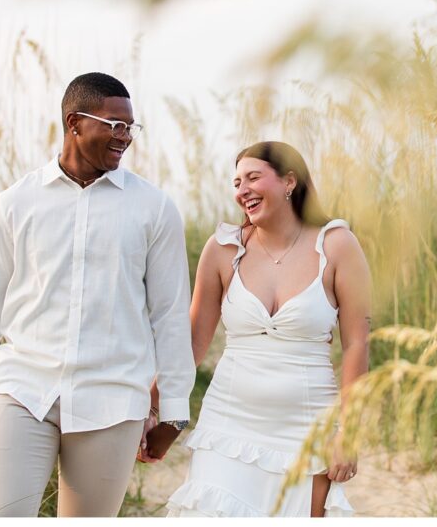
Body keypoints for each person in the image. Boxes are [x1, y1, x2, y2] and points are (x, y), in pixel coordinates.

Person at [0, 72, 195, 517]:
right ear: (74, 122)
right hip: (22, 391)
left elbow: (170, 316)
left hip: (112, 402)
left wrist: (172, 411)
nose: (125, 137)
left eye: (130, 127)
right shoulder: (16, 203)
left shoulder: (154, 209)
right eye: (114, 124)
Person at [159, 141, 372, 517]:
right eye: (236, 181)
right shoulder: (222, 249)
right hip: (228, 423)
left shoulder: (337, 245)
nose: (242, 190)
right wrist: (154, 404)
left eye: (253, 177)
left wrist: (348, 432)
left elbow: (357, 343)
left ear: (290, 181)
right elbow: (193, 341)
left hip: (307, 428)